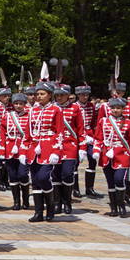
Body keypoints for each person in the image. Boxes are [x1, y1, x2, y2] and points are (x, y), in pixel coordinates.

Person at [23, 82, 65, 223]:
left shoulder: (56, 110)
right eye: (37, 94)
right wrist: (24, 150)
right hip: (33, 148)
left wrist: (56, 151)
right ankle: (38, 212)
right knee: (34, 181)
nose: (39, 97)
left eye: (42, 94)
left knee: (43, 177)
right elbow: (28, 132)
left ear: (50, 95)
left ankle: (51, 207)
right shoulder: (32, 111)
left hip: (48, 147)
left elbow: (60, 132)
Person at [95, 97, 130, 217]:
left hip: (122, 155)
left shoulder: (129, 123)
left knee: (119, 179)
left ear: (123, 109)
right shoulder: (103, 121)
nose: (115, 110)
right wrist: (96, 151)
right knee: (110, 183)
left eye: (118, 108)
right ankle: (113, 207)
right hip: (107, 155)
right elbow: (98, 138)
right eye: (113, 108)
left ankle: (122, 205)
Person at [0, 94, 31, 211]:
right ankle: (16, 201)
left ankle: (26, 200)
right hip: (10, 147)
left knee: (22, 174)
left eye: (21, 103)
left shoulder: (29, 115)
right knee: (13, 176)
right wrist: (1, 149)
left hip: (23, 148)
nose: (18, 106)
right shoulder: (8, 116)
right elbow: (2, 132)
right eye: (16, 103)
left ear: (24, 104)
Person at [53, 85, 84, 215]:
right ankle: (57, 202)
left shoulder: (75, 108)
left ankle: (67, 201)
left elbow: (80, 129)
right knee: (55, 175)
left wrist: (82, 147)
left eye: (62, 95)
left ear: (68, 95)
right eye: (57, 95)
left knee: (67, 174)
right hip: (54, 146)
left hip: (69, 146)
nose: (59, 97)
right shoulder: (52, 108)